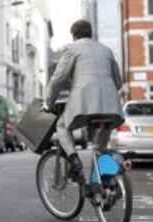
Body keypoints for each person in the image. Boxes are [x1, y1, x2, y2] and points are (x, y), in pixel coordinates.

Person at [47, 20, 123, 182]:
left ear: (74, 36)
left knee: (61, 125)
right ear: (91, 34)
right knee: (101, 148)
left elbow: (57, 79)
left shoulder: (71, 48)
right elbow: (118, 82)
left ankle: (75, 161)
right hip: (111, 107)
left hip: (84, 105)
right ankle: (106, 185)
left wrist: (50, 103)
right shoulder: (106, 50)